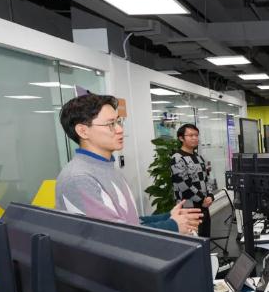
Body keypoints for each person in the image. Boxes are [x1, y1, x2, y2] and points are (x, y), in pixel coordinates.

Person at [56, 94, 202, 234]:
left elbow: (130, 222)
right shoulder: (79, 178)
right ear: (83, 131)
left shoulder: (107, 167)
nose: (120, 129)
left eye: (118, 121)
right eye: (111, 124)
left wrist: (168, 217)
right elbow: (115, 235)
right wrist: (172, 225)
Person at [170, 124, 216, 238]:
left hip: (203, 205)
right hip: (188, 207)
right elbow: (184, 184)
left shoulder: (199, 157)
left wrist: (210, 196)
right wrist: (202, 199)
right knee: (193, 239)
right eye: (191, 135)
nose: (195, 138)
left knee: (205, 237)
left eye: (196, 135)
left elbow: (206, 178)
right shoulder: (177, 158)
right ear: (181, 138)